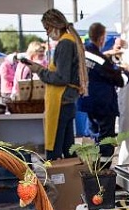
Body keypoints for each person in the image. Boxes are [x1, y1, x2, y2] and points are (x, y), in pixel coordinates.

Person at [24, 8, 88, 160]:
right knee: (69, 150)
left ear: (55, 24)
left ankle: (58, 182)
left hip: (61, 103)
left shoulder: (65, 44)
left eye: (47, 28)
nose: (46, 33)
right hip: (68, 102)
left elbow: (61, 78)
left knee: (54, 152)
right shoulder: (71, 40)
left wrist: (39, 70)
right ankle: (69, 182)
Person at [77, 22, 129, 158]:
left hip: (88, 103)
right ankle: (103, 172)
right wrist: (127, 72)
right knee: (106, 143)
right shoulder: (101, 60)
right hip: (104, 105)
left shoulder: (83, 53)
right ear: (102, 38)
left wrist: (109, 56)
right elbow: (119, 81)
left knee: (95, 137)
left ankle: (94, 170)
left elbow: (97, 66)